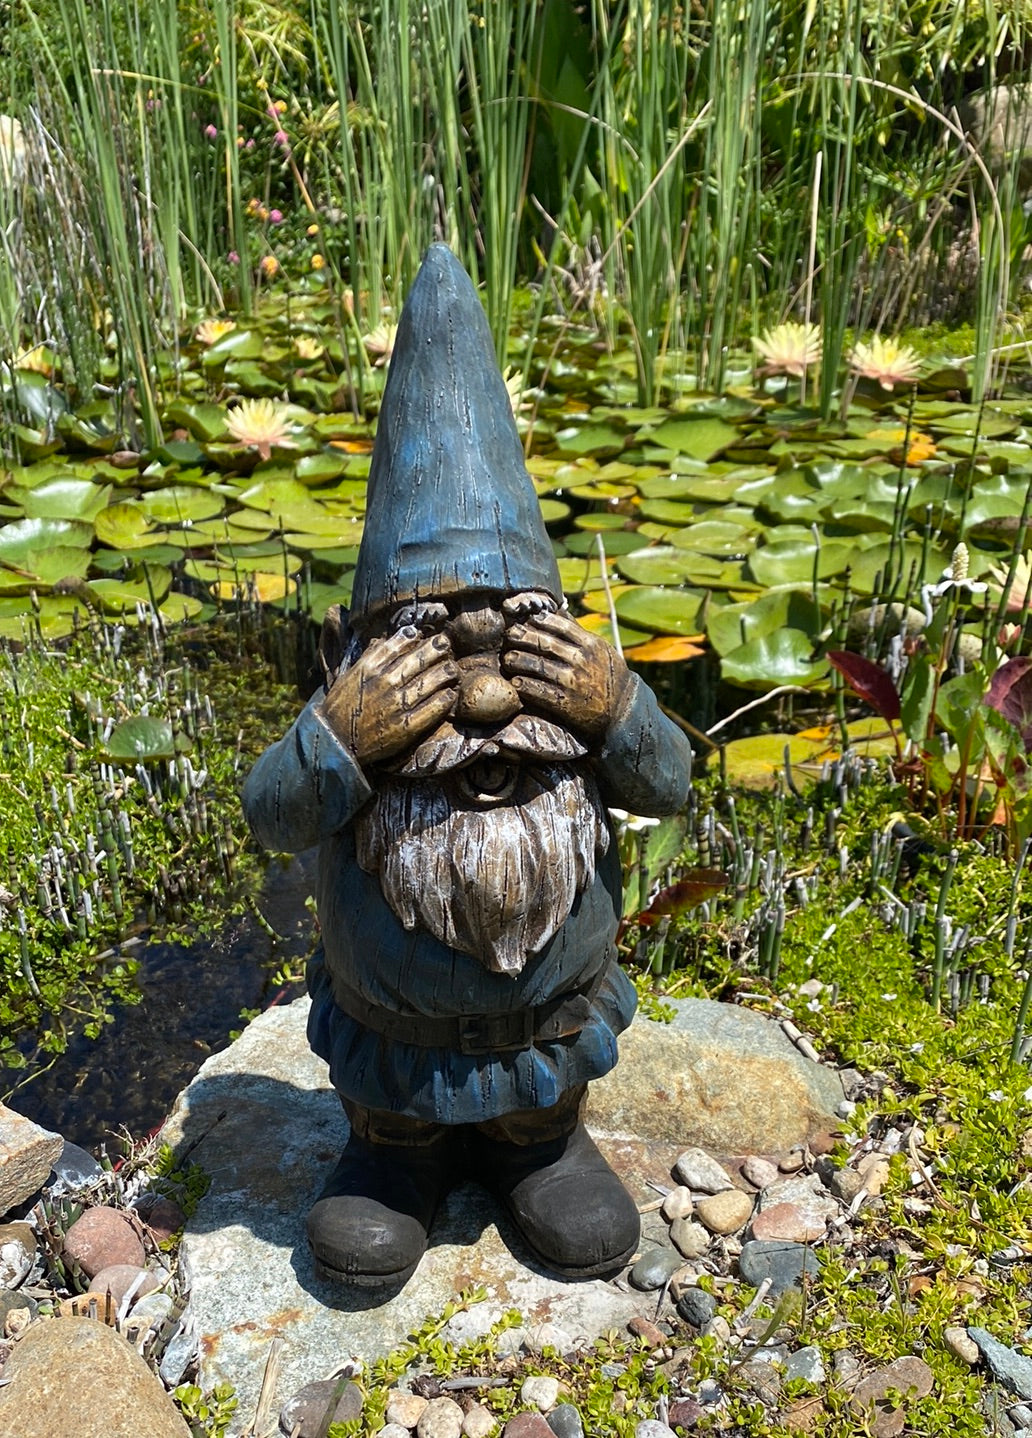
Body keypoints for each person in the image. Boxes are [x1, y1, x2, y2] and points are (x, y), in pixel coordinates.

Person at [242, 244, 692, 1288]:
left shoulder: (581, 706)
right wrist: (338, 737)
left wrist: (617, 706)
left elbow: (667, 783)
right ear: (358, 652)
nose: (487, 701)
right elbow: (271, 813)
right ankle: (394, 1155)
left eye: (515, 644)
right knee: (387, 1138)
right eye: (440, 651)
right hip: (390, 1046)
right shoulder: (350, 716)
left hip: (549, 1032)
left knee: (549, 1128)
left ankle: (540, 1145)